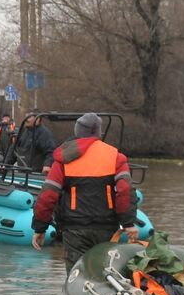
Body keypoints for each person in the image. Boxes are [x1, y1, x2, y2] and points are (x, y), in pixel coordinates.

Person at [31, 111, 138, 268]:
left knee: (76, 274)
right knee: (104, 272)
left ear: (77, 132)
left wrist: (40, 227)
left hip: (74, 229)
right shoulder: (115, 156)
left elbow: (48, 195)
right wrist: (128, 223)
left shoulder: (64, 158)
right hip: (106, 227)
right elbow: (125, 190)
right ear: (98, 133)